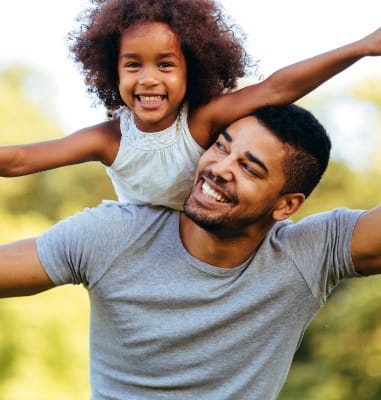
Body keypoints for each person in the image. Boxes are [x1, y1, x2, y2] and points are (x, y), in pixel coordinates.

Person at [1, 103, 381, 399]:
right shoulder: (115, 234)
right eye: (221, 147)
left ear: (286, 206)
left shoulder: (307, 255)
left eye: (249, 169)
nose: (220, 168)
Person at [1, 0, 380, 209]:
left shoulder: (200, 123)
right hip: (147, 249)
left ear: (191, 71)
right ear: (113, 72)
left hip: (216, 237)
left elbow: (275, 89)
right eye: (133, 64)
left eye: (165, 64)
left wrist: (361, 46)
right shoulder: (110, 139)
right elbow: (19, 159)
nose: (148, 78)